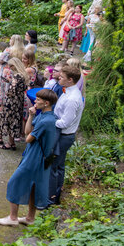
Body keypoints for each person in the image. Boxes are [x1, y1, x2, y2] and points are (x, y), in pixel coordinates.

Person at [0, 89, 59, 226]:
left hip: (35, 157)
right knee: (33, 187)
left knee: (15, 181)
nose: (35, 101)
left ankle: (12, 218)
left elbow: (28, 138)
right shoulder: (44, 115)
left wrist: (31, 133)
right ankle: (30, 218)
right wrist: (31, 115)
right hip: (37, 155)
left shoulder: (46, 121)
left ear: (46, 103)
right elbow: (26, 132)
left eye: (38, 100)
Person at [48, 64, 84, 205]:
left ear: (70, 80)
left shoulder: (72, 99)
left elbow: (65, 123)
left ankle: (51, 197)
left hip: (63, 136)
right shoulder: (67, 91)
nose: (58, 78)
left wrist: (48, 121)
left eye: (62, 77)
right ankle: (55, 194)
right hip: (63, 134)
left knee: (53, 166)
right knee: (59, 165)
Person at [0, 58, 29, 150]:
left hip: (12, 102)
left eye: (10, 66)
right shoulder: (23, 75)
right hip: (18, 101)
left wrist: (8, 92)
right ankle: (0, 137)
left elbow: (13, 90)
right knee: (10, 119)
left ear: (14, 66)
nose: (9, 68)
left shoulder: (17, 76)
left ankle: (10, 143)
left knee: (8, 120)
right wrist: (9, 81)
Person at [0, 35, 24, 110]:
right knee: (12, 87)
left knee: (3, 88)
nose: (9, 40)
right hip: (16, 71)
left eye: (11, 39)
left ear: (13, 41)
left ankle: (2, 106)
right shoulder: (23, 50)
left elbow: (0, 60)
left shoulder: (8, 50)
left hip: (6, 71)